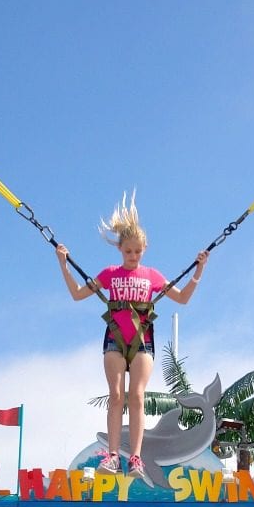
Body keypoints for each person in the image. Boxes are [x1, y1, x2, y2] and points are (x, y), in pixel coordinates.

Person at [56, 192, 209, 478]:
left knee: (136, 396)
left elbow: (183, 298)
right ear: (120, 250)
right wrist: (63, 264)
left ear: (144, 248)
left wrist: (199, 271)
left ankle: (135, 458)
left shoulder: (152, 276)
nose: (133, 256)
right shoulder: (110, 274)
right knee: (116, 396)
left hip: (142, 342)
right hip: (115, 340)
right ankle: (112, 456)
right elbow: (78, 295)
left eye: (138, 251)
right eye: (128, 251)